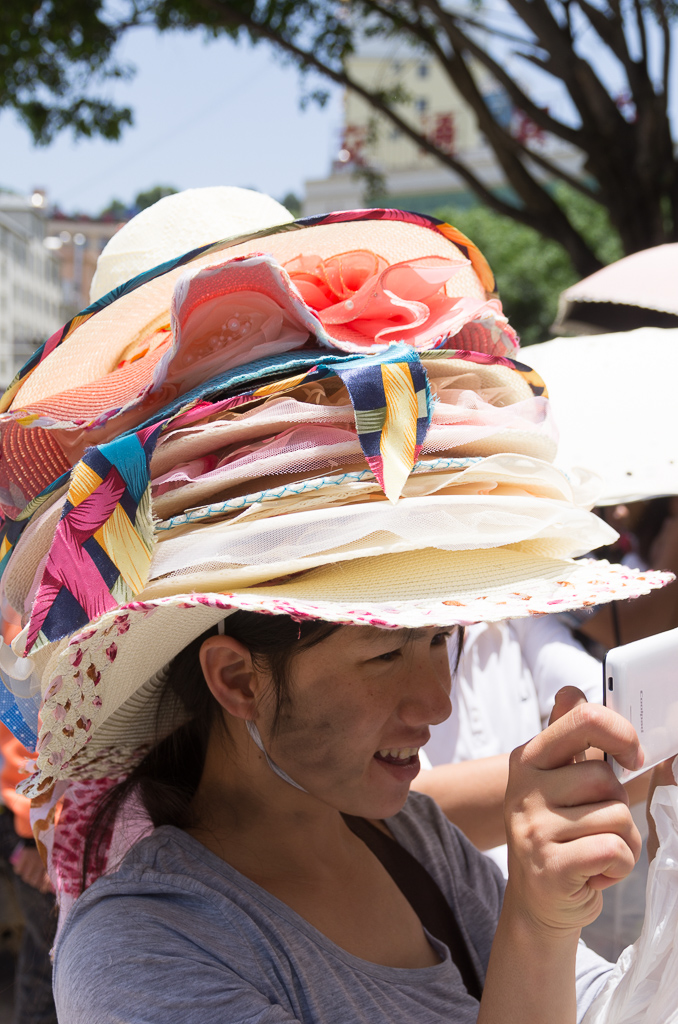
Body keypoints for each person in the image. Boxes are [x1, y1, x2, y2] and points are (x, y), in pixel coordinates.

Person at [0, 203, 670, 1023]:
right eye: (384, 653)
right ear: (237, 677)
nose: (439, 704)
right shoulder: (146, 949)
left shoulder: (410, 840)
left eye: (438, 639)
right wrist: (536, 923)